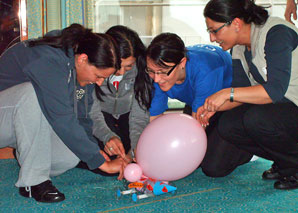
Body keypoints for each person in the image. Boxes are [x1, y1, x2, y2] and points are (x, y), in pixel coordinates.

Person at [0, 23, 127, 203]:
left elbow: (81, 118)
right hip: (5, 115)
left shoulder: (80, 73)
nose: (99, 83)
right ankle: (34, 181)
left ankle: (28, 157)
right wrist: (102, 163)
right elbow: (62, 118)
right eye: (99, 76)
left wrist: (96, 154)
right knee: (31, 93)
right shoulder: (47, 58)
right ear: (83, 59)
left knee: (70, 156)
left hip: (21, 123)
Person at [203, 0, 298, 190]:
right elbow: (239, 93)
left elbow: (274, 91)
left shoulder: (277, 32)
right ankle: (285, 161)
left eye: (215, 30)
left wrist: (226, 94)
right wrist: (210, 109)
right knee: (228, 125)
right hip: (281, 108)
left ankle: (293, 165)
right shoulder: (238, 48)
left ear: (236, 23)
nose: (212, 38)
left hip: (291, 105)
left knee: (257, 119)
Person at [146, 32, 253, 178]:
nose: (157, 79)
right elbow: (154, 120)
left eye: (163, 73)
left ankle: (249, 146)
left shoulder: (205, 69)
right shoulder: (158, 72)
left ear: (182, 63)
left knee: (212, 167)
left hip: (230, 104)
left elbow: (197, 127)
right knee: (189, 155)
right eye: (152, 71)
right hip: (197, 101)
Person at [89, 25, 152, 164]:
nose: (122, 72)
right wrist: (107, 136)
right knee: (108, 156)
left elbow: (139, 117)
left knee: (140, 152)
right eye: (118, 66)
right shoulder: (95, 68)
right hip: (102, 116)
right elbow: (92, 112)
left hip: (127, 117)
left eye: (129, 66)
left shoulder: (143, 70)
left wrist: (135, 150)